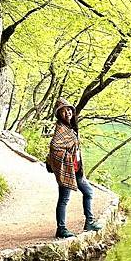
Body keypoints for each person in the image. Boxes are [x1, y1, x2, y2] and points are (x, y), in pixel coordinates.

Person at [47, 97, 102, 238]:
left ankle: (89, 222)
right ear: (59, 114)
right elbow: (55, 148)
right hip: (67, 170)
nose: (68, 113)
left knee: (88, 192)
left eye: (69, 110)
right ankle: (61, 229)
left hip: (76, 170)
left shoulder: (70, 128)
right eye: (64, 111)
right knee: (64, 199)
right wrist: (66, 160)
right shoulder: (61, 129)